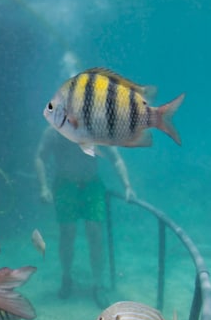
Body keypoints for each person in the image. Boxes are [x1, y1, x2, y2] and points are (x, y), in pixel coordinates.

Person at [34, 126, 135, 306]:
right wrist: (44, 186)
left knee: (95, 233)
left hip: (92, 185)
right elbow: (40, 157)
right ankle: (66, 277)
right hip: (65, 185)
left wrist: (127, 185)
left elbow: (116, 159)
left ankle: (98, 284)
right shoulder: (53, 130)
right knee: (67, 233)